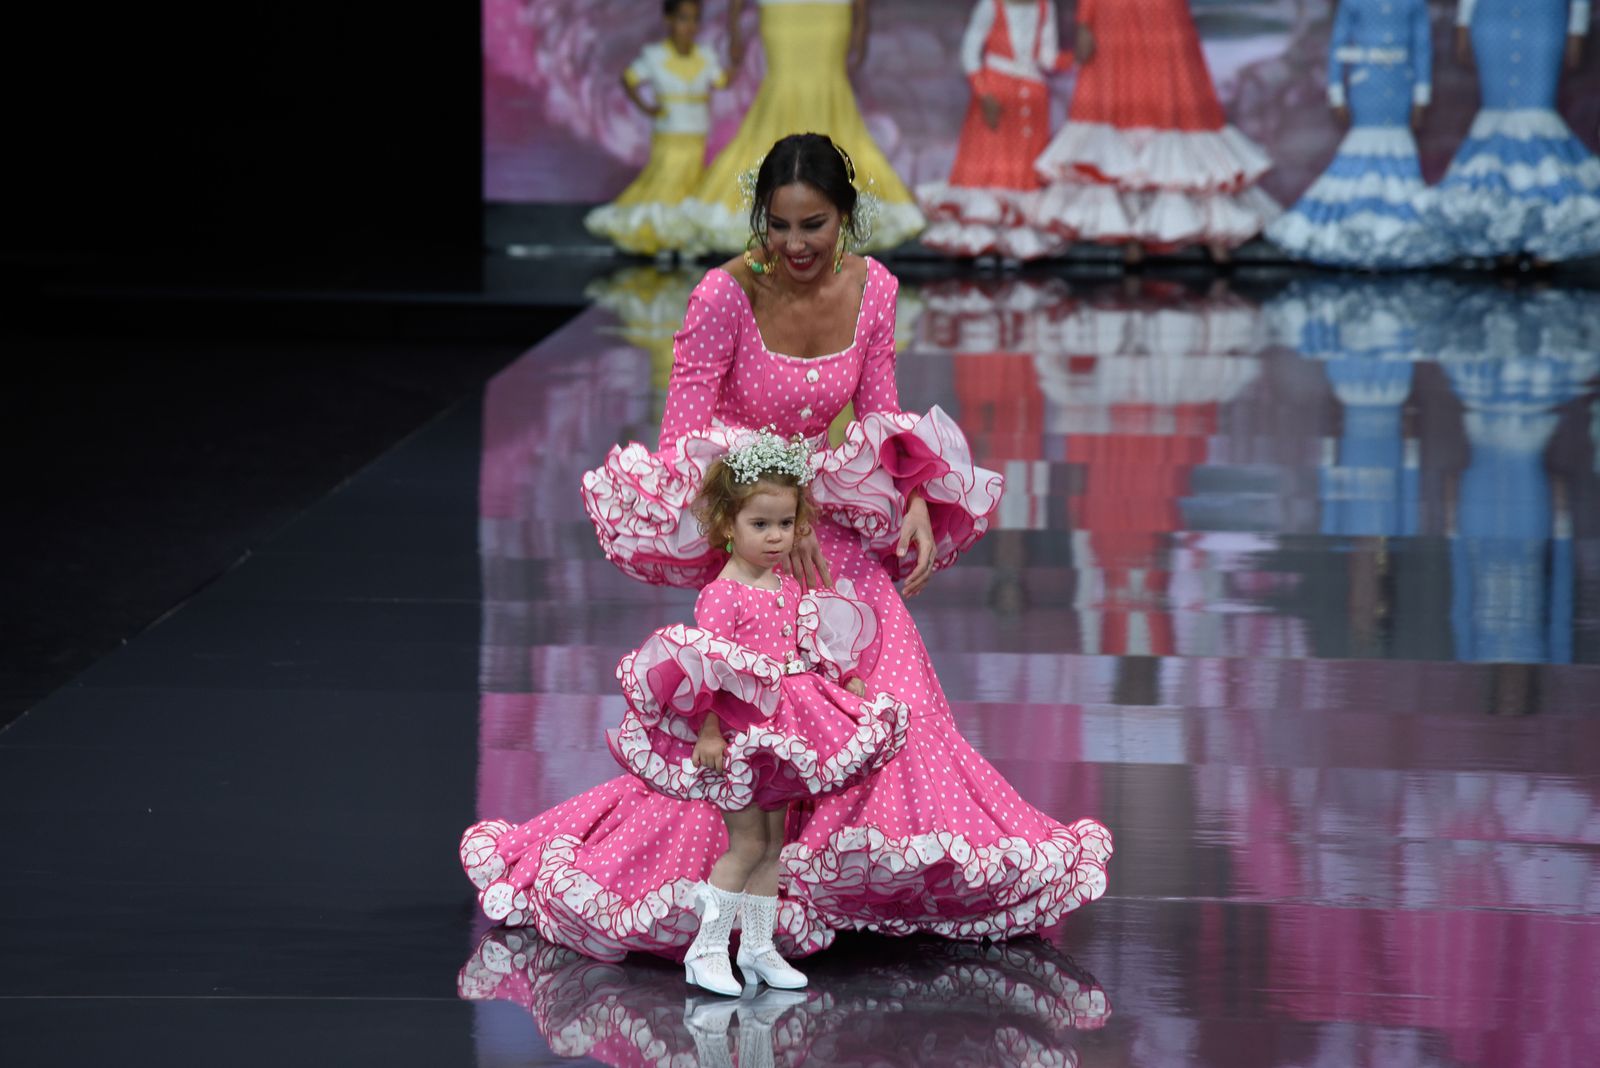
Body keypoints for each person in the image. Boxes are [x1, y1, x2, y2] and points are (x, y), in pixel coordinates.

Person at [461, 133, 1111, 964]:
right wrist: (769, 518)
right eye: (780, 226)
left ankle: (861, 877)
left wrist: (910, 496)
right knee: (758, 722)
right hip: (759, 537)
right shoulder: (722, 296)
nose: (797, 246)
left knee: (892, 690)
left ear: (848, 218)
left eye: (815, 226)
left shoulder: (874, 289)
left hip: (832, 533)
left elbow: (880, 417)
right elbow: (683, 439)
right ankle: (744, 897)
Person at [607, 432, 911, 994]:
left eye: (786, 524)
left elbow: (799, 644)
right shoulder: (723, 594)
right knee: (746, 843)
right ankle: (705, 950)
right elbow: (707, 670)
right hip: (744, 733)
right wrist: (709, 730)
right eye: (761, 525)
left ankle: (758, 948)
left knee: (773, 845)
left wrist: (843, 681)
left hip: (784, 726)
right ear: (728, 525)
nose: (776, 538)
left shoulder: (786, 583)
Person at [1032, 0, 1280, 263]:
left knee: (1178, 106)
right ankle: (1132, 231)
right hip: (1112, 13)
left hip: (1161, 12)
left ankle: (1213, 226)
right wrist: (1084, 20)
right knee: (1121, 113)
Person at [679, 0, 924, 252]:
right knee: (783, 84)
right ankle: (778, 203)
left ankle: (829, 200)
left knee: (827, 87)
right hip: (781, 9)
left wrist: (860, 23)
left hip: (831, 10)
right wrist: (734, 27)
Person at [1267, 0, 1452, 268]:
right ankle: (1351, 234)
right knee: (1361, 154)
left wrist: (1421, 96)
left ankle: (1393, 240)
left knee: (1398, 158)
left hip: (1400, 85)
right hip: (1365, 84)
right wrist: (1336, 93)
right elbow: (1339, 44)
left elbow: (1422, 46)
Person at [1425, 0, 1600, 264]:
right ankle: (1500, 236)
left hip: (1543, 14)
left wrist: (1577, 24)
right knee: (1497, 110)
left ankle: (1550, 234)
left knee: (1536, 109)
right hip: (1492, 14)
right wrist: (1464, 21)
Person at [917, 0, 1072, 260]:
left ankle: (1013, 247)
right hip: (996, 95)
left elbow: (1046, 56)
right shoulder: (991, 5)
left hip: (1032, 100)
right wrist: (983, 92)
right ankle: (983, 245)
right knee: (988, 170)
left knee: (1021, 175)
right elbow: (970, 51)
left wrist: (1076, 57)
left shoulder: (1045, 6)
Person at [584, 0, 729, 256]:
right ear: (669, 20)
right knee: (666, 186)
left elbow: (722, 80)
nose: (690, 26)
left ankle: (679, 241)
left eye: (695, 19)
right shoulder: (655, 56)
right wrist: (646, 107)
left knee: (688, 189)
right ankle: (659, 238)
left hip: (696, 137)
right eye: (684, 18)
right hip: (669, 136)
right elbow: (629, 79)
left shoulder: (705, 56)